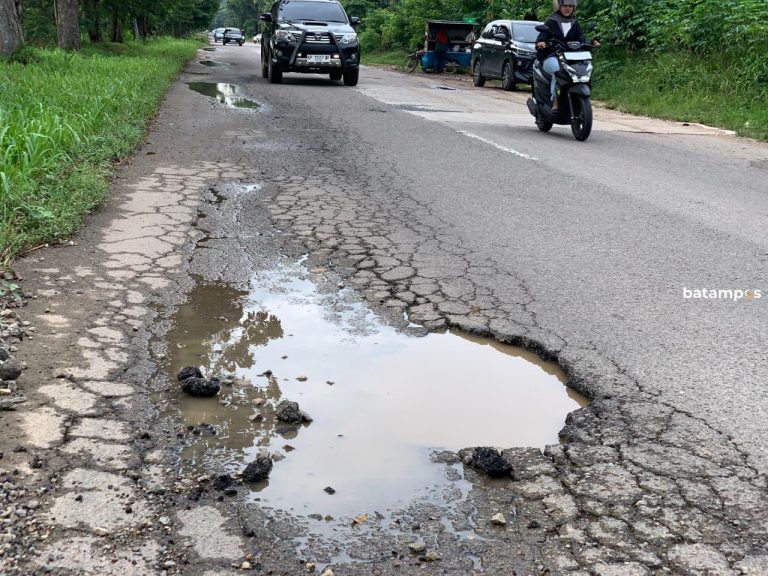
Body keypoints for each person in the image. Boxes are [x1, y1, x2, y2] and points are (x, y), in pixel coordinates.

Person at [535, 0, 599, 113]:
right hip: (551, 56)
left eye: (570, 6)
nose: (567, 8)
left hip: (569, 57)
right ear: (559, 6)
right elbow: (542, 37)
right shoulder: (551, 21)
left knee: (579, 70)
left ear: (574, 8)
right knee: (558, 71)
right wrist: (541, 42)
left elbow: (581, 39)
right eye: (565, 5)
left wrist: (592, 42)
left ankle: (576, 99)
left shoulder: (575, 23)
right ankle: (555, 101)